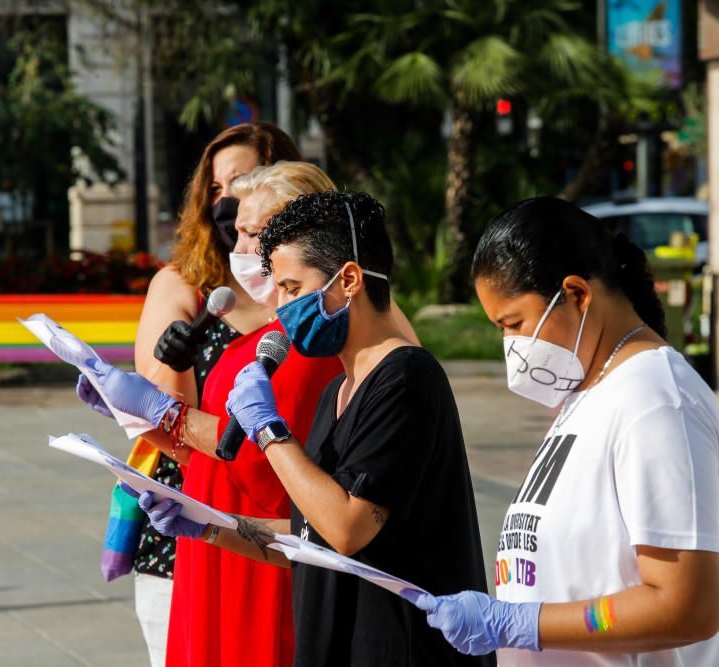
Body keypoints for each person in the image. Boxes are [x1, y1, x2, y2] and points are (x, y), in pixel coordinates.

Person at [129, 191, 491, 667]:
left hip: (398, 648)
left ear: (349, 280)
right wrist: (209, 525)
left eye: (293, 288)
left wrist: (267, 431)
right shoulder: (338, 390)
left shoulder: (405, 379)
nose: (280, 308)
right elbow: (310, 536)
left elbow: (346, 528)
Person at [73, 165, 418, 667]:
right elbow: (220, 453)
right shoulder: (275, 334)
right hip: (219, 541)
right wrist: (134, 415)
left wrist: (162, 413)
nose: (243, 246)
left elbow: (263, 462)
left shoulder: (310, 341)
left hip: (262, 558)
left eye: (257, 233)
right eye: (240, 230)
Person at [412, 197, 719, 665]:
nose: (512, 346)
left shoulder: (656, 402)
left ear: (576, 294)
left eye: (515, 324)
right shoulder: (590, 392)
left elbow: (687, 606)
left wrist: (525, 625)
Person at [125, 122, 301, 667]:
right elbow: (159, 423)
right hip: (193, 527)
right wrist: (173, 369)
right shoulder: (187, 285)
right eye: (219, 188)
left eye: (244, 180)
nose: (230, 201)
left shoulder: (316, 304)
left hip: (286, 529)